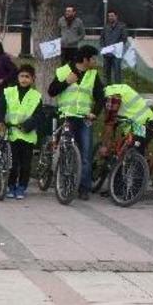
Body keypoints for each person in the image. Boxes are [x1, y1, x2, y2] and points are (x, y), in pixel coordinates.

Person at [48, 45, 105, 200]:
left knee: (85, 155)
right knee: (66, 151)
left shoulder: (93, 74)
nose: (95, 61)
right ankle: (63, 182)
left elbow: (101, 97)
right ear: (85, 59)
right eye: (93, 58)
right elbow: (51, 91)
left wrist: (95, 113)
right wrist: (66, 82)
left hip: (84, 118)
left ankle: (83, 188)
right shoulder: (64, 70)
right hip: (66, 116)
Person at [0, 64, 43, 200]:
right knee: (12, 164)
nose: (24, 79)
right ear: (17, 77)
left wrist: (27, 125)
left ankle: (22, 186)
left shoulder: (36, 96)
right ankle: (11, 186)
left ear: (33, 79)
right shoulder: (8, 92)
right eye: (22, 76)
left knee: (26, 164)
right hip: (11, 134)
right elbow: (0, 109)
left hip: (27, 135)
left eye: (27, 77)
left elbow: (39, 116)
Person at [103, 82, 153, 155]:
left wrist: (105, 145)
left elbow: (110, 122)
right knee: (132, 151)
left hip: (139, 126)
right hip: (150, 122)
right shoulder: (119, 88)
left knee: (130, 156)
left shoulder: (111, 96)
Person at [100, 9, 127, 84]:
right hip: (107, 53)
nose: (110, 17)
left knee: (117, 72)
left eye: (112, 16)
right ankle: (107, 88)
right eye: (109, 16)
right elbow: (102, 38)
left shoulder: (121, 26)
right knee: (106, 72)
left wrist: (116, 47)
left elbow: (124, 39)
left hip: (116, 54)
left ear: (116, 16)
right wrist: (103, 47)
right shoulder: (106, 27)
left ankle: (117, 89)